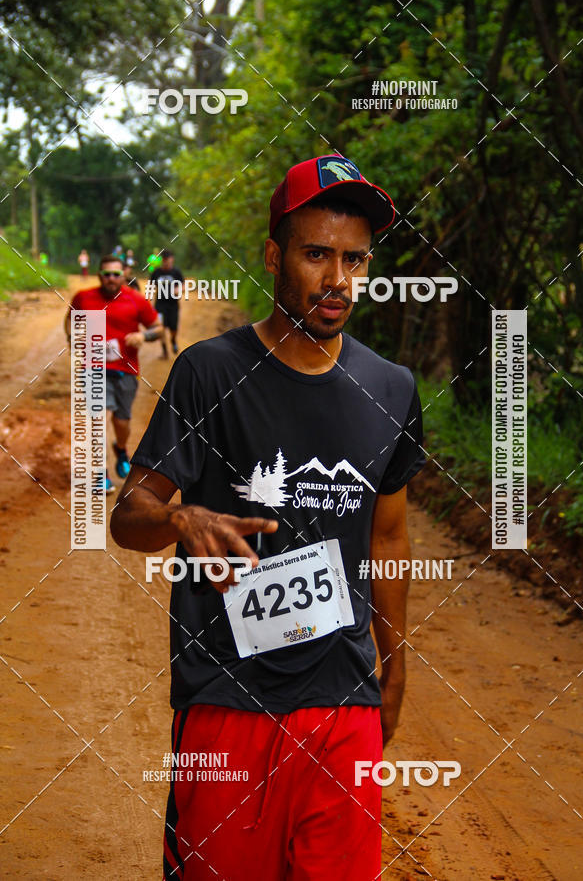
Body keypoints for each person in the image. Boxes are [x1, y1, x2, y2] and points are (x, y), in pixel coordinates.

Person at [110, 155, 426, 879]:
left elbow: (388, 533)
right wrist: (183, 520)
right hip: (227, 698)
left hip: (341, 702)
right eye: (317, 254)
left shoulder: (391, 386)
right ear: (275, 256)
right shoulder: (210, 372)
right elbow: (131, 515)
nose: (337, 279)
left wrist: (396, 672)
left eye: (354, 259)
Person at [66, 255, 163, 493]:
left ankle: (120, 449)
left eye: (116, 274)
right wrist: (72, 339)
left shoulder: (136, 300)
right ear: (100, 275)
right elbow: (70, 318)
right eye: (107, 274)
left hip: (125, 370)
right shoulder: (84, 297)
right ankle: (101, 473)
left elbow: (157, 328)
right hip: (93, 368)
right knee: (97, 419)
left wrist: (144, 336)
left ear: (124, 276)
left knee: (122, 420)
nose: (111, 278)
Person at [150, 249, 184, 357]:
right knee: (161, 327)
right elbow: (151, 286)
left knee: (173, 327)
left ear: (172, 260)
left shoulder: (176, 272)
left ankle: (173, 340)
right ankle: (164, 350)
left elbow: (183, 284)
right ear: (162, 261)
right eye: (165, 261)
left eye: (169, 262)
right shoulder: (156, 272)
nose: (167, 264)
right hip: (160, 304)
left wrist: (179, 289)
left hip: (173, 304)